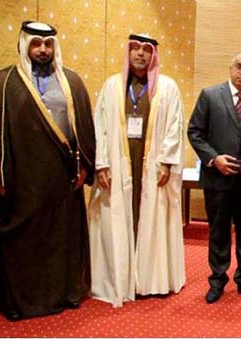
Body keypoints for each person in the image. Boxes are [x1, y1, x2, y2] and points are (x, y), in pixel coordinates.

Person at [0, 21, 95, 321]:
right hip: (23, 183)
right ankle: (26, 301)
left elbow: (85, 131)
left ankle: (61, 294)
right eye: (36, 43)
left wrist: (84, 168)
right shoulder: (3, 83)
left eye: (48, 44)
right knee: (25, 246)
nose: (43, 49)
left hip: (61, 182)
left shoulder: (72, 82)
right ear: (24, 44)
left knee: (58, 243)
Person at [88, 34, 186, 307]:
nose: (141, 54)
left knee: (149, 215)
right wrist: (102, 163)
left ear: (153, 55)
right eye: (135, 49)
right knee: (119, 214)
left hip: (152, 166)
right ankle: (119, 277)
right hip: (119, 165)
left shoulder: (167, 87)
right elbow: (100, 128)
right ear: (128, 52)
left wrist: (167, 161)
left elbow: (175, 127)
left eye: (146, 50)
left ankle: (148, 279)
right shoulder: (112, 86)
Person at [188, 52, 241, 304]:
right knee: (218, 232)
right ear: (230, 68)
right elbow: (194, 132)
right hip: (217, 179)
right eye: (239, 67)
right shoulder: (210, 96)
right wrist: (214, 158)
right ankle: (217, 280)